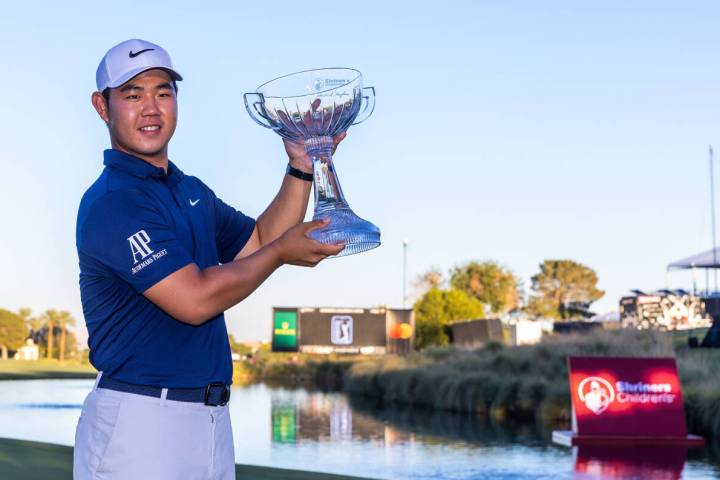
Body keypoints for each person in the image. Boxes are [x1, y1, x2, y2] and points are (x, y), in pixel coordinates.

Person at [73, 38, 345, 479]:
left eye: (163, 92)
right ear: (102, 108)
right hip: (140, 422)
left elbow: (257, 242)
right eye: (132, 95)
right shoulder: (114, 202)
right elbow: (195, 300)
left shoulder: (188, 190)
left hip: (211, 419)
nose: (151, 108)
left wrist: (299, 167)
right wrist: (280, 253)